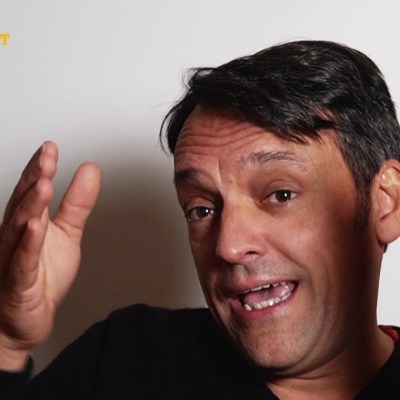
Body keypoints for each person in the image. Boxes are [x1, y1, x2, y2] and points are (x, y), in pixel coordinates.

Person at [1, 40, 400, 399]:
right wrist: (7, 342)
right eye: (201, 210)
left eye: (281, 194)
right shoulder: (127, 358)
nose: (228, 245)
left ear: (387, 203)